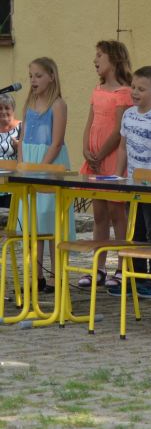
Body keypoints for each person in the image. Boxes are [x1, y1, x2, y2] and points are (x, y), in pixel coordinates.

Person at [111, 66, 151, 298]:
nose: (135, 92)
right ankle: (136, 278)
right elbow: (122, 148)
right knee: (135, 232)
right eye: (133, 87)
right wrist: (117, 177)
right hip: (133, 184)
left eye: (141, 89)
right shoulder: (128, 115)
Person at [78, 40, 133, 289]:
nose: (95, 60)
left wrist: (100, 154)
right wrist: (86, 149)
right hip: (95, 161)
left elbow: (119, 130)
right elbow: (90, 122)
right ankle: (98, 268)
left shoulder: (124, 93)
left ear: (114, 59)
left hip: (110, 160)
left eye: (100, 55)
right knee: (99, 214)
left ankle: (122, 267)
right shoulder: (97, 90)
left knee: (116, 213)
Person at [19, 57, 74, 293]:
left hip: (50, 164)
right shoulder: (29, 102)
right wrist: (22, 164)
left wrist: (40, 168)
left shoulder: (58, 105)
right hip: (30, 163)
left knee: (51, 219)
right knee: (33, 221)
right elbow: (22, 138)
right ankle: (36, 274)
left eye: (39, 76)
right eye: (31, 76)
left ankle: (56, 274)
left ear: (52, 77)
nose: (33, 80)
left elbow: (56, 142)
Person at [0, 93, 21, 208]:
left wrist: (20, 148)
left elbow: (30, 155)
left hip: (12, 184)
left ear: (13, 109)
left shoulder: (22, 128)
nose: (3, 111)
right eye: (0, 108)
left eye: (7, 108)